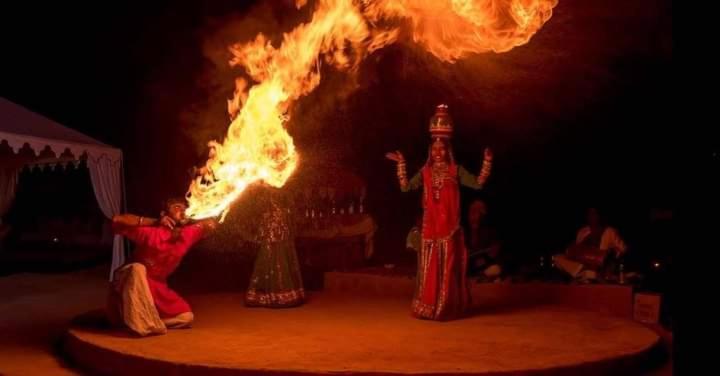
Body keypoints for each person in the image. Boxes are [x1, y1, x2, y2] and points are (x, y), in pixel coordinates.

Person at [386, 104, 492, 320]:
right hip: (430, 228)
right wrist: (402, 165)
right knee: (431, 267)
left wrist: (487, 162)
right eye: (434, 149)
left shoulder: (456, 171)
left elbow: (479, 184)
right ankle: (428, 306)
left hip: (450, 228)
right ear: (430, 152)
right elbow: (406, 187)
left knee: (449, 268)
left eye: (442, 148)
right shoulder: (425, 172)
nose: (438, 152)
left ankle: (447, 307)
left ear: (448, 150)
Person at [108, 197, 218, 336]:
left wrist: (204, 216)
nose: (182, 211)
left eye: (185, 209)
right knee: (138, 268)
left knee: (187, 317)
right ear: (163, 214)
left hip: (157, 287)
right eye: (177, 208)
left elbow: (211, 224)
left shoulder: (188, 233)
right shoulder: (150, 232)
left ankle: (149, 322)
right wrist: (155, 222)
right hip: (129, 284)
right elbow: (117, 220)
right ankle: (135, 320)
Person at [245, 188, 305, 308]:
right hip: (275, 244)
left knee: (278, 266)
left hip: (277, 245)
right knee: (273, 266)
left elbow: (282, 229)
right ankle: (272, 296)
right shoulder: (278, 212)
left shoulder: (280, 212)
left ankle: (279, 296)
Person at [553, 207, 627, 283]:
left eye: (594, 214)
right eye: (590, 214)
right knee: (557, 258)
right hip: (582, 265)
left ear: (599, 216)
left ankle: (585, 276)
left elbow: (623, 249)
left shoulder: (610, 231)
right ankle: (581, 273)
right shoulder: (582, 232)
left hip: (599, 267)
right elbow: (577, 251)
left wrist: (611, 253)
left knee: (590, 274)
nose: (592, 216)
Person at [465, 199, 503, 282]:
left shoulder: (490, 232)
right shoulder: (464, 234)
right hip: (469, 270)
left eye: (479, 213)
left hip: (486, 269)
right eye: (473, 212)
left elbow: (494, 254)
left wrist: (486, 257)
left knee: (495, 269)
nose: (476, 217)